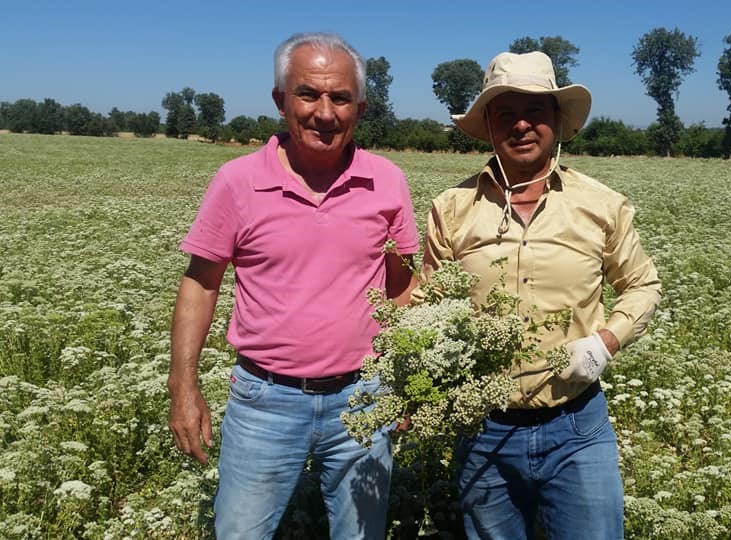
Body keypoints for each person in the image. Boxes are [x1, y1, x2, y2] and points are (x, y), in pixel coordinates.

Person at [167, 32, 419, 539]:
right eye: (308, 94)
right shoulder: (237, 181)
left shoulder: (387, 180)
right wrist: (183, 386)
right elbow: (200, 283)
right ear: (281, 100)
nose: (324, 112)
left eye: (340, 98)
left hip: (364, 398)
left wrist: (406, 381)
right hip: (264, 400)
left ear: (360, 108)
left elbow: (402, 288)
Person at [421, 51, 661, 539]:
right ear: (488, 124)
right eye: (506, 113)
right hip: (484, 428)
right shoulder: (452, 209)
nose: (522, 125)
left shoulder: (601, 204)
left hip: (577, 426)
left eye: (536, 112)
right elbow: (428, 308)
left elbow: (642, 285)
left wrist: (605, 343)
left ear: (556, 121)